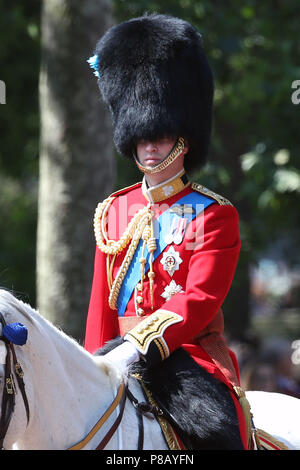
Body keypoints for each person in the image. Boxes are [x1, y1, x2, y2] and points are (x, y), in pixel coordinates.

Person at [85, 14, 250, 450]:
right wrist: (92, 364)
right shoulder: (114, 210)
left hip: (185, 360)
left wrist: (136, 346)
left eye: (160, 134)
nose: (151, 145)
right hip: (114, 360)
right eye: (142, 136)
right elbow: (101, 308)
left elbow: (197, 301)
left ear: (184, 137)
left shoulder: (213, 215)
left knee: (215, 434)